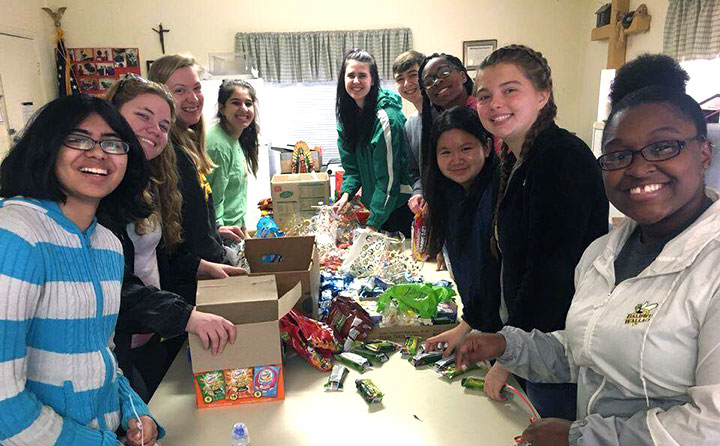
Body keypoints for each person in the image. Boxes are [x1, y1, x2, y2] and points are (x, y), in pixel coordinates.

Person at [456, 53, 720, 446]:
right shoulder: (603, 255)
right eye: (618, 154)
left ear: (703, 154)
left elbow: (710, 425)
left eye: (663, 147)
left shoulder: (711, 266)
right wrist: (507, 344)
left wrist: (582, 437)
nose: (639, 167)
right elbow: (585, 349)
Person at [0, 94, 162, 445]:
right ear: (47, 146)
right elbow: (2, 403)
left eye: (112, 143)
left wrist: (137, 412)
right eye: (78, 139)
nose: (98, 153)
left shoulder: (107, 244)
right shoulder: (15, 234)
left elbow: (100, 353)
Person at [472, 44, 608, 419]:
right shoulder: (517, 158)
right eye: (485, 96)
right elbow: (505, 255)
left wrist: (510, 358)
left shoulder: (561, 157)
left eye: (510, 90)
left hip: (554, 346)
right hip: (526, 339)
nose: (495, 103)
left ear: (543, 95)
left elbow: (551, 271)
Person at [104, 75, 238, 401]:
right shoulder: (99, 191)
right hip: (111, 341)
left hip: (148, 333)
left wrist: (201, 266)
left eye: (164, 125)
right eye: (143, 116)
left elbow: (159, 253)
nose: (155, 130)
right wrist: (186, 316)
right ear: (111, 117)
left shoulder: (144, 182)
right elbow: (113, 283)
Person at [148, 54, 245, 300]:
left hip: (208, 270)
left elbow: (189, 216)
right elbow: (166, 241)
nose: (192, 99)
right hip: (191, 286)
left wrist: (215, 229)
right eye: (179, 90)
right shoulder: (165, 152)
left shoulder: (189, 143)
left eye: (197, 88)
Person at [420, 106, 502, 354]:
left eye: (466, 149)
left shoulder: (497, 194)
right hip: (483, 321)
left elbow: (494, 273)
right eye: (445, 152)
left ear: (487, 147)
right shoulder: (453, 193)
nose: (456, 160)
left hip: (508, 333)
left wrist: (466, 326)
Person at [333, 48, 413, 237]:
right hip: (378, 206)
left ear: (373, 79)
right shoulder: (348, 118)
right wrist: (345, 196)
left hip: (398, 206)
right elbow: (352, 170)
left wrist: (373, 224)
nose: (356, 81)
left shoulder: (386, 118)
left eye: (362, 75)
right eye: (351, 75)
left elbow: (388, 181)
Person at [206, 79, 259, 234]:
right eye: (236, 103)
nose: (244, 109)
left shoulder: (234, 138)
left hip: (234, 230)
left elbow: (235, 195)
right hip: (222, 233)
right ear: (222, 108)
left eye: (248, 104)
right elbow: (214, 198)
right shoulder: (218, 146)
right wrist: (219, 231)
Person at [392, 50, 425, 213]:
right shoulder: (409, 125)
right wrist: (419, 192)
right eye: (400, 79)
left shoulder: (446, 116)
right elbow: (415, 173)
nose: (407, 84)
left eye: (412, 75)